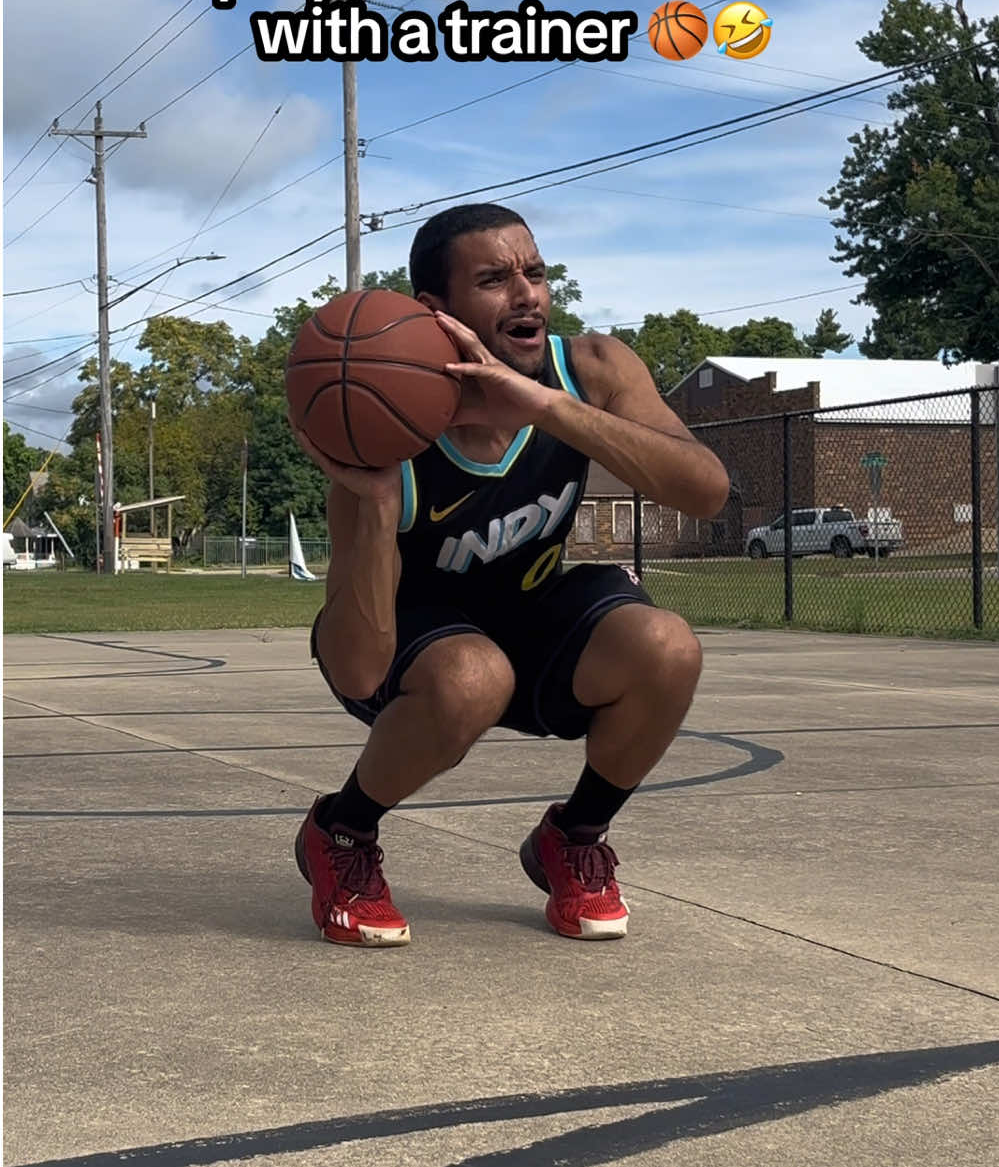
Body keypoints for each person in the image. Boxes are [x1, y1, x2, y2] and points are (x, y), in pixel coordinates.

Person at [292, 203, 729, 947]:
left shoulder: (588, 369)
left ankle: (575, 835)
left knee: (667, 646)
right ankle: (342, 831)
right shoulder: (387, 433)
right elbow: (357, 667)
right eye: (494, 279)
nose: (527, 293)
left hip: (530, 615)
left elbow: (707, 489)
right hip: (416, 641)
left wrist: (549, 410)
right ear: (436, 311)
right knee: (472, 674)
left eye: (535, 272)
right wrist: (371, 509)